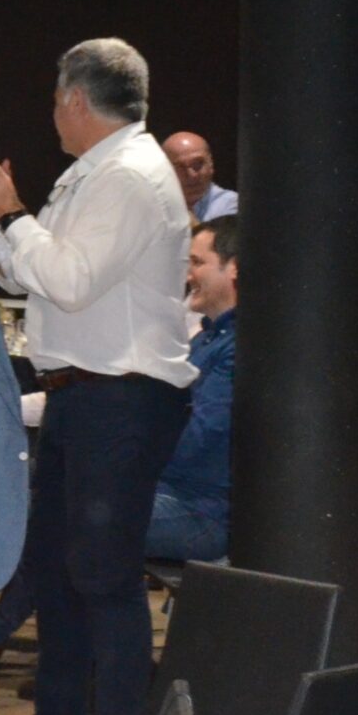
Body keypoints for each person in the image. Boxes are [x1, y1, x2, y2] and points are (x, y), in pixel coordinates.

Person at [0, 37, 195, 715]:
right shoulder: (91, 174)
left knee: (103, 575)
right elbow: (33, 276)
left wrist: (14, 211)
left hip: (121, 397)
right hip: (83, 395)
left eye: (56, 99)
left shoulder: (128, 176)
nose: (53, 112)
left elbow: (73, 279)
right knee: (58, 567)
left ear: (76, 99)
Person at [145, 216, 239, 564]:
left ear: (234, 268)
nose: (187, 275)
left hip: (201, 512)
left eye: (197, 263)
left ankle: (7, 617)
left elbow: (201, 435)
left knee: (71, 513)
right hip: (170, 493)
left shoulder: (238, 347)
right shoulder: (208, 337)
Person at [161, 130, 239, 220]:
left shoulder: (233, 205)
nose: (192, 175)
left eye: (198, 164)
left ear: (211, 164)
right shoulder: (154, 207)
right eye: (180, 167)